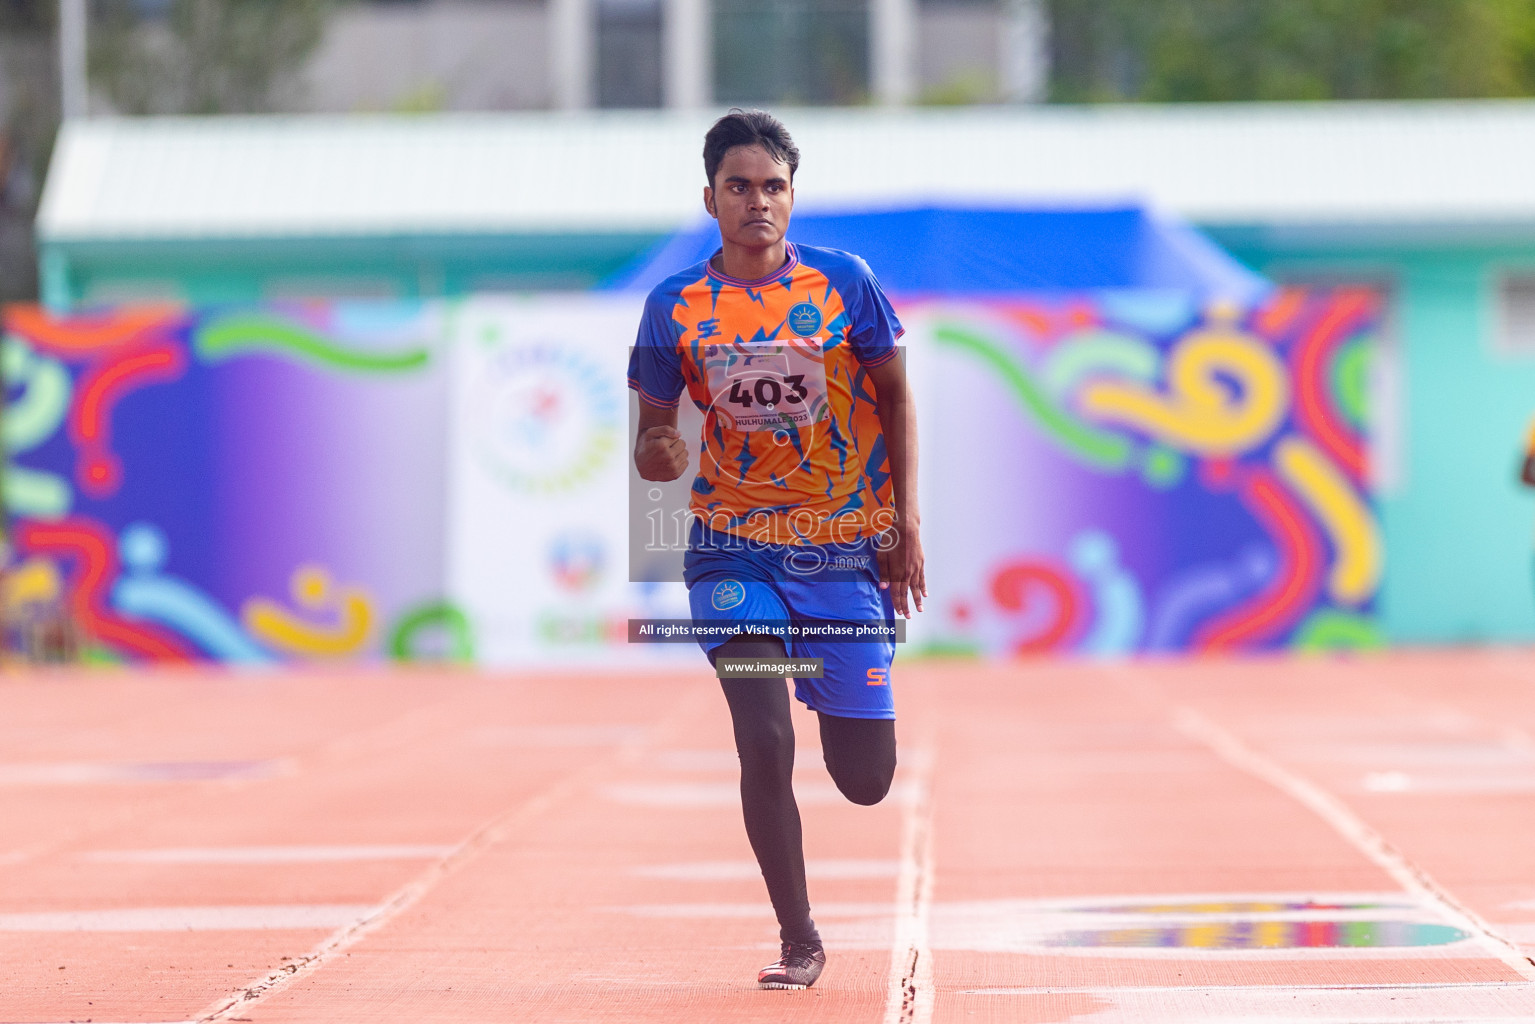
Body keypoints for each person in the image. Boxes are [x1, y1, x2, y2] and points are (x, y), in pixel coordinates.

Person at [628, 109, 925, 990]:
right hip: (730, 552)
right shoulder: (671, 305)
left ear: (791, 196)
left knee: (865, 780)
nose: (758, 202)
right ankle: (799, 939)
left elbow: (897, 400)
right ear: (710, 197)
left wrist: (903, 524)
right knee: (761, 741)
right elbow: (651, 435)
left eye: (773, 187)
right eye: (739, 187)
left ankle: (816, 662)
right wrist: (660, 451)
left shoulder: (845, 284)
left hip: (837, 549)